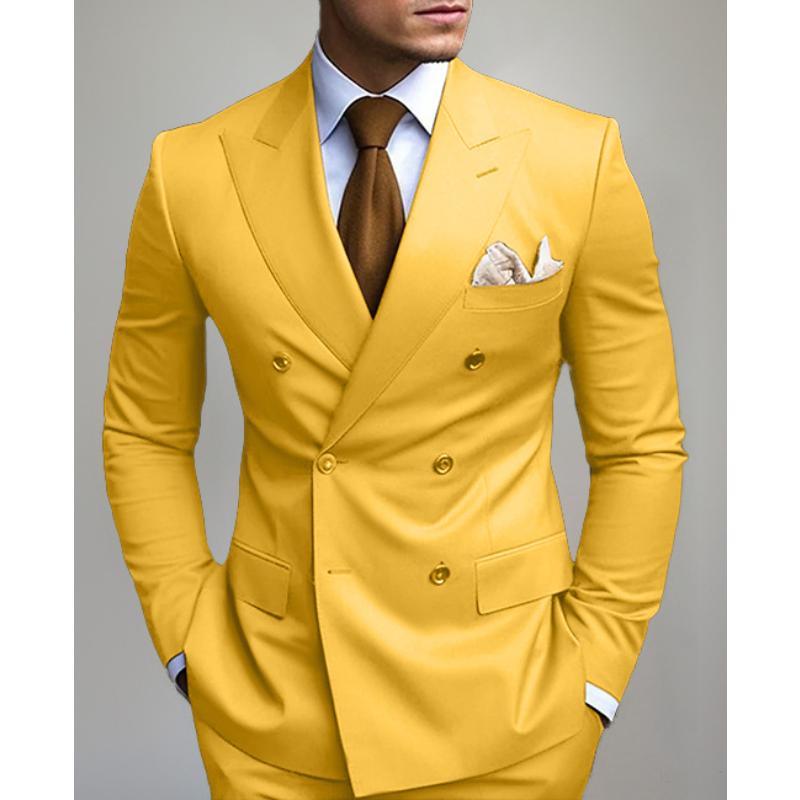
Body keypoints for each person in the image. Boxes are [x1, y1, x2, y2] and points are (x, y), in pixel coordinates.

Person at [102, 1, 689, 797]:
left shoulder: (573, 156)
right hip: (276, 710)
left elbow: (640, 442)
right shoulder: (192, 168)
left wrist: (597, 669)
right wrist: (187, 637)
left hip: (512, 709)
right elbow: (144, 430)